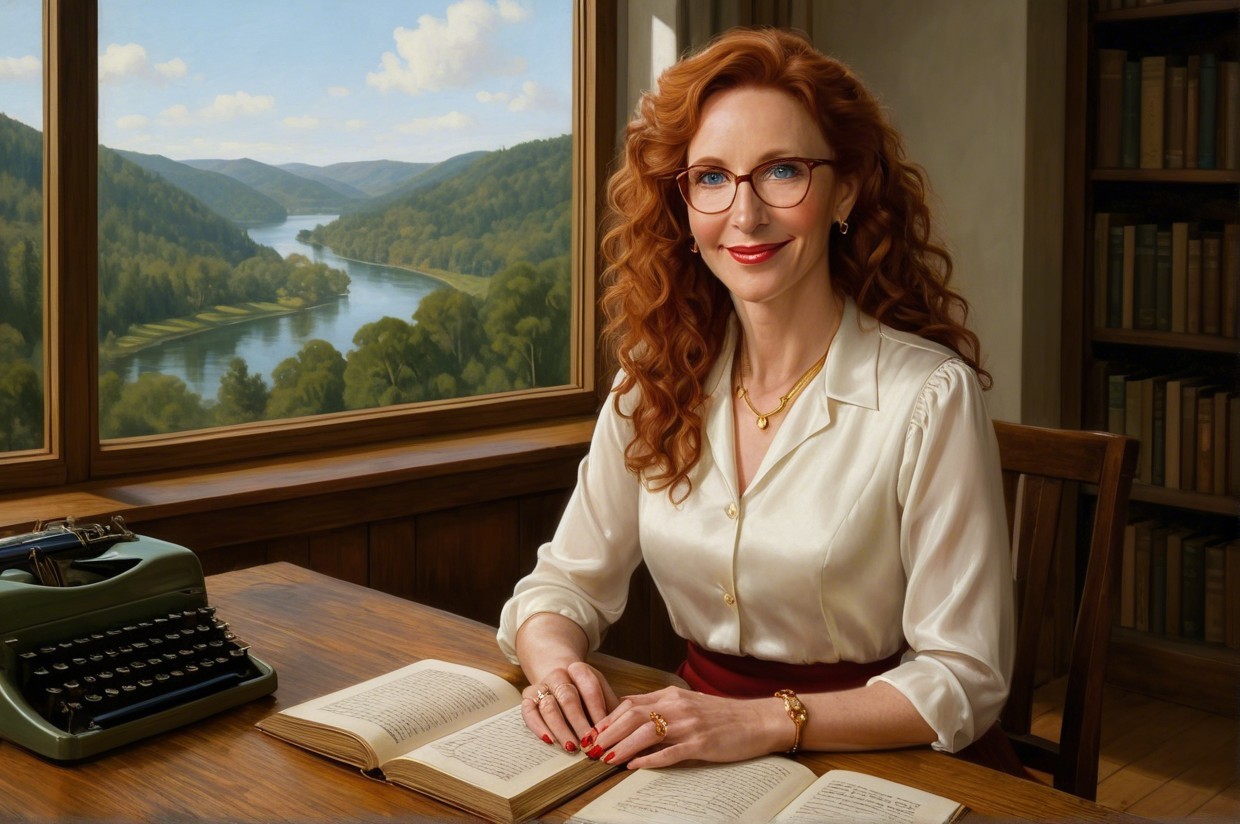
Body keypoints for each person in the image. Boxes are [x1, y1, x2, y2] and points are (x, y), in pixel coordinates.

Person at [496, 26, 1014, 772]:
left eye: (781, 172)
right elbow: (563, 584)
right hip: (696, 751)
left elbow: (965, 676)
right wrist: (556, 668)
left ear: (847, 187)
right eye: (710, 177)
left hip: (889, 761)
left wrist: (765, 722)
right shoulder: (652, 380)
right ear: (683, 202)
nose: (743, 214)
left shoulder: (929, 397)